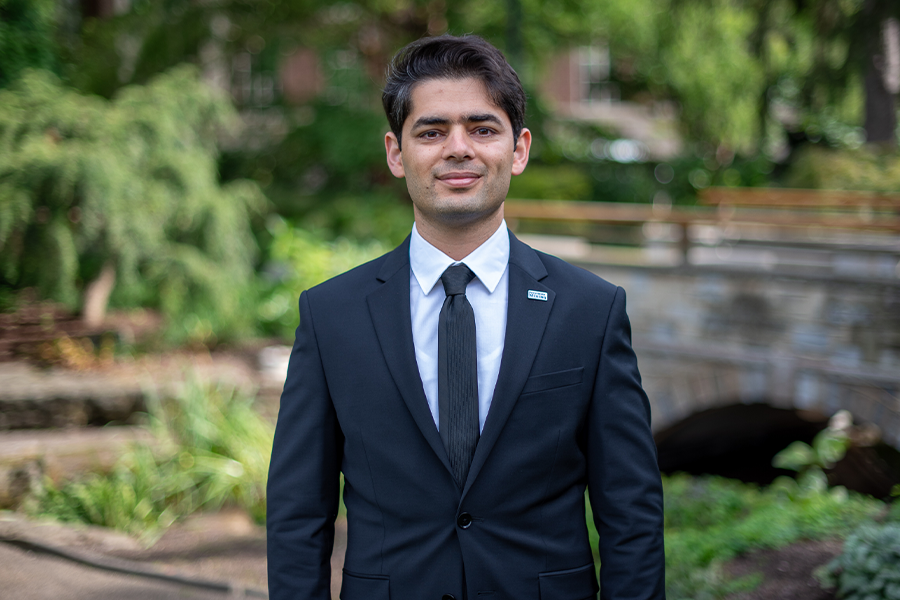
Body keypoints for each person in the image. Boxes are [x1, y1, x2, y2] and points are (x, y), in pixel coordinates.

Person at [267, 34, 665, 600]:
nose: (458, 148)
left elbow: (632, 513)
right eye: (431, 131)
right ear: (396, 153)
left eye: (482, 129)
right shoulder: (332, 315)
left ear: (519, 149)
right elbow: (296, 514)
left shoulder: (591, 310)